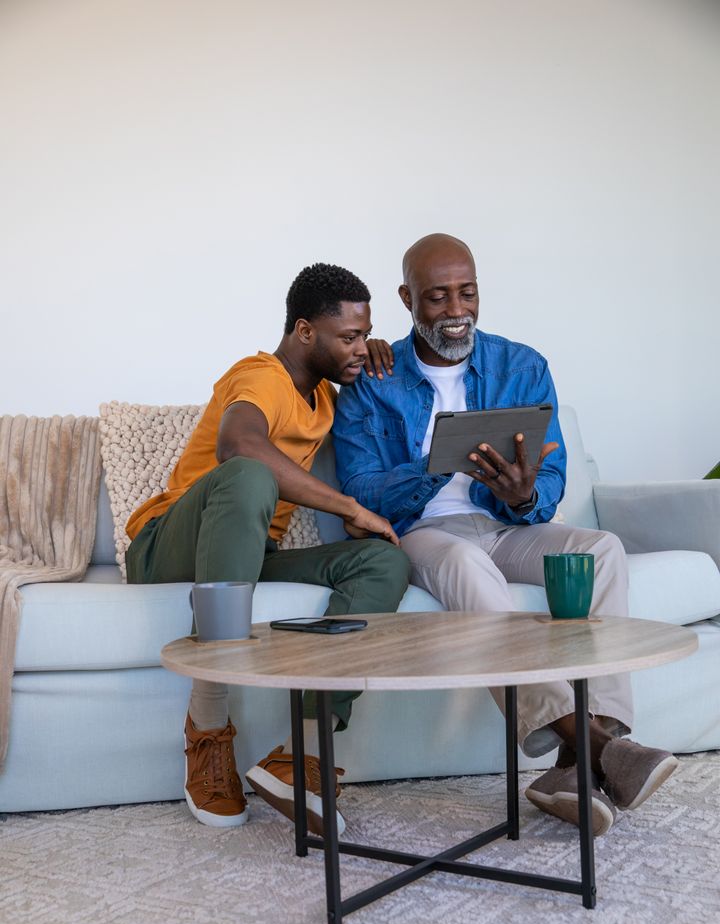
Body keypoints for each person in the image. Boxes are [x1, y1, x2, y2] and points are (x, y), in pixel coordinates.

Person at [333, 233, 677, 837]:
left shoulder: (522, 366)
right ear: (406, 298)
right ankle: (605, 750)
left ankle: (576, 762)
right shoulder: (373, 377)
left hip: (504, 525)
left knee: (600, 550)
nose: (456, 310)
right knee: (465, 565)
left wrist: (524, 496)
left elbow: (552, 473)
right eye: (437, 297)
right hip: (424, 531)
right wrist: (435, 465)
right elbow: (360, 490)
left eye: (467, 293)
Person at [125, 263, 410, 836]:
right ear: (304, 331)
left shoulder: (324, 395)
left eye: (365, 334)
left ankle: (300, 754)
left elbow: (378, 392)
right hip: (166, 547)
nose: (359, 347)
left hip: (251, 551)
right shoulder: (260, 376)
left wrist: (379, 353)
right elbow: (239, 444)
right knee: (250, 472)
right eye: (348, 337)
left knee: (384, 559)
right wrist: (348, 508)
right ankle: (208, 730)